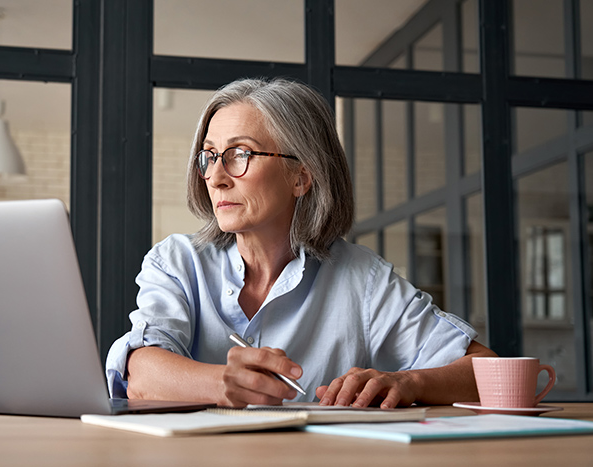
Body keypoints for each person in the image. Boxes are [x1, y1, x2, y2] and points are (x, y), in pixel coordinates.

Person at [106, 77, 496, 408]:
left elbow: (491, 372)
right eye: (209, 156)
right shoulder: (176, 261)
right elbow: (140, 373)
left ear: (301, 177)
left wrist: (409, 383)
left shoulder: (364, 280)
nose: (217, 177)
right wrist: (225, 383)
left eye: (239, 154)